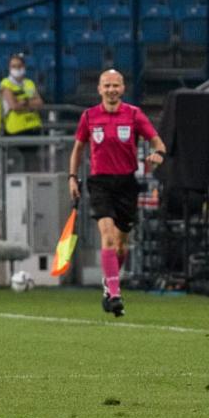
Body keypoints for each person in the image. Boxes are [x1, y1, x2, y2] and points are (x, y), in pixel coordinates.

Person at [68, 70, 166, 317]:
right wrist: (72, 178)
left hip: (126, 184)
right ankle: (114, 293)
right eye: (106, 85)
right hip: (100, 183)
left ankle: (109, 283)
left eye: (115, 85)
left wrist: (158, 155)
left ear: (122, 88)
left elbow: (158, 142)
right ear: (99, 89)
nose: (111, 89)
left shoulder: (133, 114)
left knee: (121, 246)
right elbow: (78, 149)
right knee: (108, 235)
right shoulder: (89, 116)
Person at [0, 53, 45, 171]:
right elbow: (14, 106)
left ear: (24, 67)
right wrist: (29, 102)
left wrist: (24, 102)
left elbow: (40, 103)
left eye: (19, 66)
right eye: (13, 66)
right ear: (9, 68)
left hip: (31, 128)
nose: (17, 69)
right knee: (17, 165)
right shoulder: (6, 84)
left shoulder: (29, 83)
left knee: (33, 164)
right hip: (12, 131)